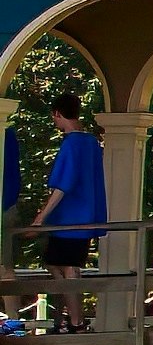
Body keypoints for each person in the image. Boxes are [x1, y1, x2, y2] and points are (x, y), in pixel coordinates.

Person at [30, 95, 106, 269]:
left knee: (66, 268)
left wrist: (41, 217)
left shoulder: (71, 144)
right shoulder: (91, 142)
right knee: (61, 265)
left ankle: (71, 298)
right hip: (87, 217)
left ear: (57, 113)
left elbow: (63, 184)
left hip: (69, 220)